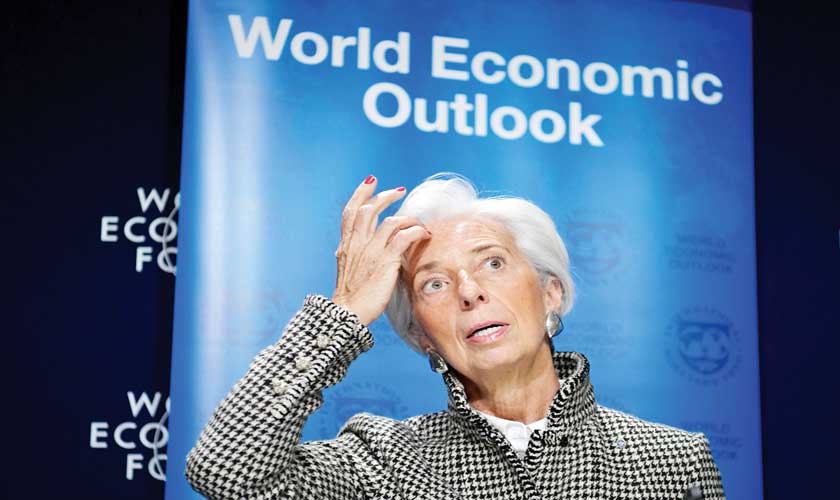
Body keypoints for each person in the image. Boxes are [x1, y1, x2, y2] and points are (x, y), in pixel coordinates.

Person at [185, 173, 726, 499]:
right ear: (421, 335)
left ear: (551, 293)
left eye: (492, 263)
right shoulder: (382, 462)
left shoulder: (670, 461)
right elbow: (228, 472)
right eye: (435, 283)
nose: (469, 292)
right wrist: (342, 314)